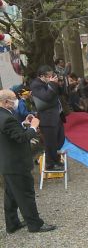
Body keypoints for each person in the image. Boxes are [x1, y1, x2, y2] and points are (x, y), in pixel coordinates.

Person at [0, 89, 56, 233]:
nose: (16, 102)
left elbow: (11, 134)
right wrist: (33, 126)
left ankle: (12, 224)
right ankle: (35, 224)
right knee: (26, 194)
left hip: (7, 163)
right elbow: (22, 138)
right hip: (16, 163)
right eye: (13, 99)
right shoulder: (7, 118)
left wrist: (23, 124)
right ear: (6, 102)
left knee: (11, 195)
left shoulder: (5, 116)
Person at [30, 65, 66, 171]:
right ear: (42, 76)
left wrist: (59, 83)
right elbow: (47, 97)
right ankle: (50, 164)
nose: (51, 77)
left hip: (56, 115)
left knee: (59, 139)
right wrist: (52, 83)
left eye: (52, 75)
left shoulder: (49, 82)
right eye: (49, 76)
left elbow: (61, 92)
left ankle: (55, 159)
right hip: (47, 118)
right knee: (50, 143)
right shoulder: (36, 85)